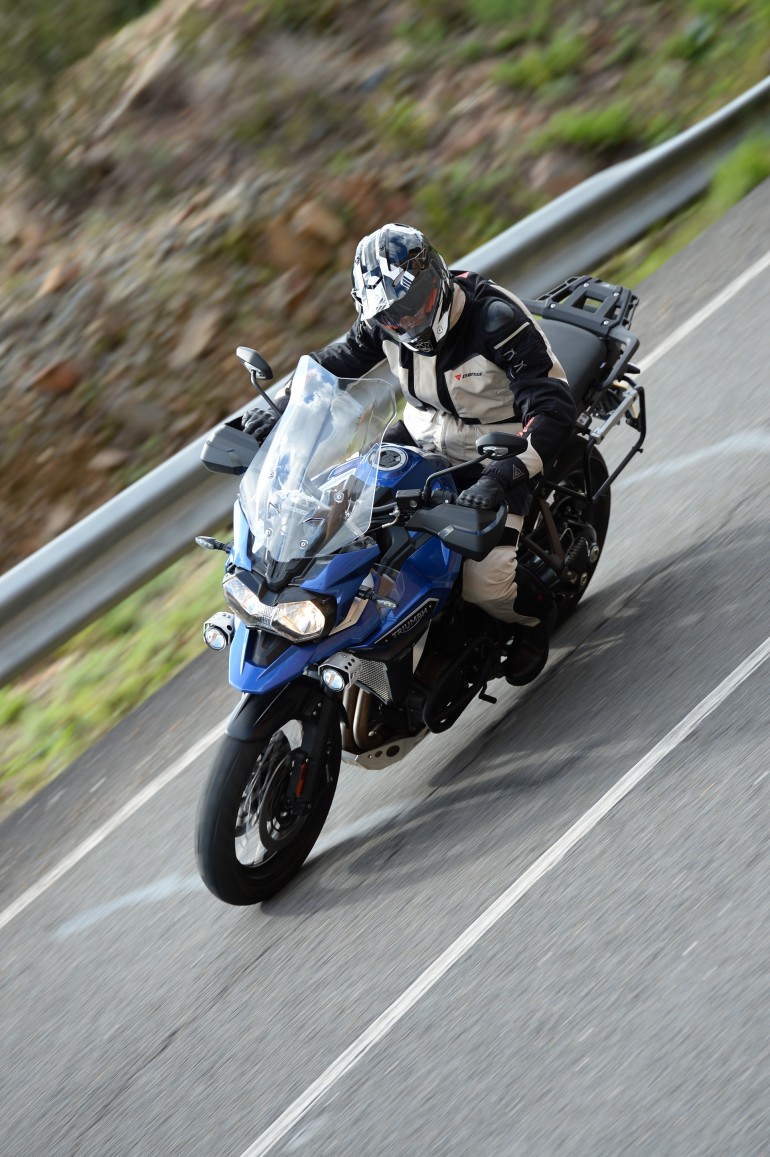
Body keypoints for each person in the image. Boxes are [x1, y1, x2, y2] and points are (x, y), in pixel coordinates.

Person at [243, 223, 577, 685]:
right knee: (337, 524)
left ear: (437, 276)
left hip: (497, 447)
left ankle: (536, 619)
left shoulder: (494, 319)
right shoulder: (383, 321)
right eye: (391, 316)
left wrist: (500, 476)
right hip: (420, 435)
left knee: (487, 584)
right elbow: (330, 364)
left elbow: (552, 407)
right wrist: (279, 409)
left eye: (414, 302)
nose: (406, 321)